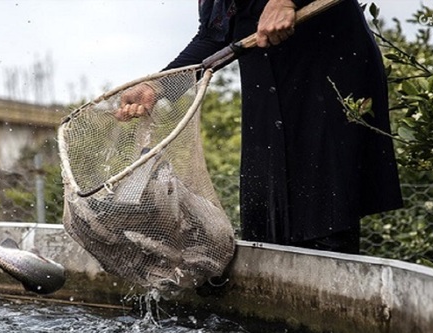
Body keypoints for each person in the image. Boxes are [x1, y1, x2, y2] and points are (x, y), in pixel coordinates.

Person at [118, 0, 403, 255]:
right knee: (266, 210)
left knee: (322, 208)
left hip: (324, 69)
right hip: (266, 83)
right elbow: (213, 34)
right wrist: (157, 85)